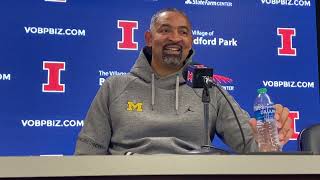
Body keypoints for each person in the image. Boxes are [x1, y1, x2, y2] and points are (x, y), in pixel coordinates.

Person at [74, 8, 293, 155]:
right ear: (149, 39)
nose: (175, 38)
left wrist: (270, 136)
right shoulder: (115, 87)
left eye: (183, 32)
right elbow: (87, 152)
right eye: (165, 30)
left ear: (190, 42)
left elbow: (251, 146)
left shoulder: (209, 87)